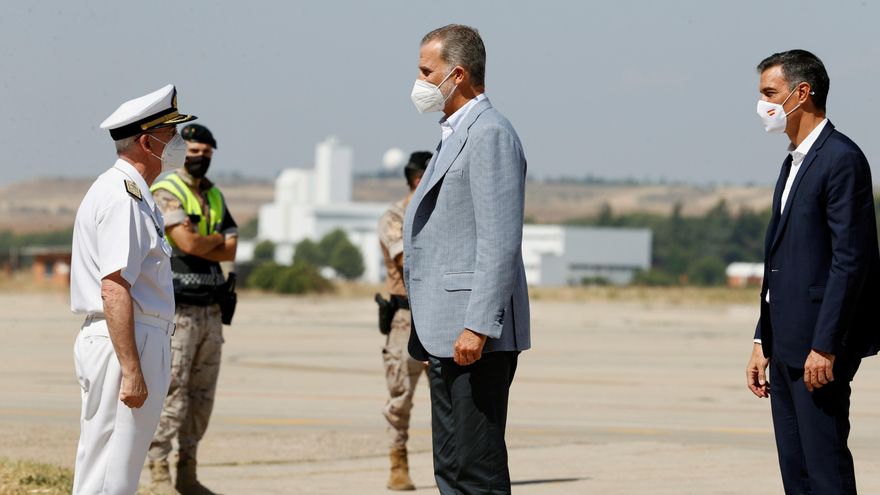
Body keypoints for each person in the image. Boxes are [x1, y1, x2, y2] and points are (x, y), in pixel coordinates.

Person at [402, 25, 530, 494]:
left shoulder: (489, 132)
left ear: (457, 75)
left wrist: (478, 325)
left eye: (425, 71)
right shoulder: (453, 132)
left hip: (472, 333)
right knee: (451, 468)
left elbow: (500, 240)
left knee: (476, 470)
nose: (418, 82)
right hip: (442, 329)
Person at [745, 49, 880, 494]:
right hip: (784, 343)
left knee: (825, 469)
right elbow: (782, 260)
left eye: (770, 93)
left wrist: (826, 345)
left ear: (802, 94)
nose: (762, 104)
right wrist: (762, 337)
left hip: (819, 348)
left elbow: (850, 260)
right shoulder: (793, 161)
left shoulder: (840, 158)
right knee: (796, 470)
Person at [70, 84, 196, 494]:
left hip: (132, 335)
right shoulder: (122, 196)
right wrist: (131, 368)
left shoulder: (137, 196)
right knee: (110, 473)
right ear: (147, 141)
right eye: (171, 135)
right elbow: (114, 286)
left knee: (113, 469)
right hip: (125, 338)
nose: (179, 144)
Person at [147, 124, 238, 495]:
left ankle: (187, 471)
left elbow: (231, 249)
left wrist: (206, 242)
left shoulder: (214, 195)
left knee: (201, 396)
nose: (199, 157)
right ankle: (158, 472)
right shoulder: (167, 190)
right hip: (178, 309)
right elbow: (184, 241)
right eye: (193, 151)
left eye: (206, 152)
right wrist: (209, 243)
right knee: (172, 392)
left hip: (211, 310)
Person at [378, 151, 432, 491]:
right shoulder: (395, 216)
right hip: (406, 317)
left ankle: (452, 463)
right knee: (401, 395)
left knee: (449, 396)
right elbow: (405, 257)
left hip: (439, 314)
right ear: (417, 179)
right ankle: (398, 461)